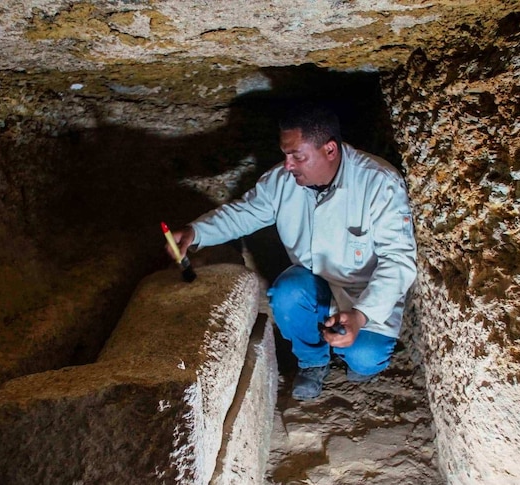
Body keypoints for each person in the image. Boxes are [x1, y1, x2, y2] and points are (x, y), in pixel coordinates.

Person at [167, 102, 417, 400]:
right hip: (314, 285)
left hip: (365, 295)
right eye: (286, 155)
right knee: (286, 291)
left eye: (297, 156)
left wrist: (361, 316)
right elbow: (244, 213)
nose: (288, 165)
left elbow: (399, 262)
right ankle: (313, 362)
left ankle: (357, 358)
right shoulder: (282, 181)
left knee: (365, 357)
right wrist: (197, 232)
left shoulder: (379, 183)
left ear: (330, 150)